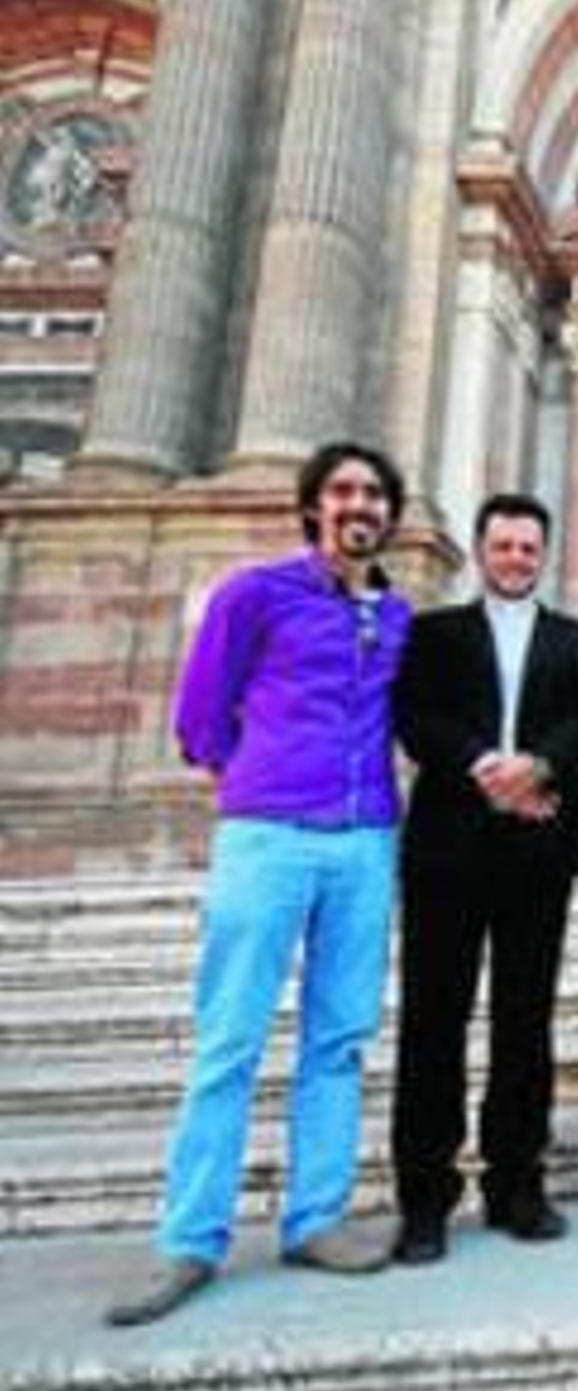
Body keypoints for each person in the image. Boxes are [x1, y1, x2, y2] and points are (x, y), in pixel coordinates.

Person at [106, 443, 410, 1327]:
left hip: (364, 838)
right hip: (269, 836)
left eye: (373, 494)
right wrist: (258, 782)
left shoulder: (394, 615)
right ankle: (190, 1239)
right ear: (313, 505)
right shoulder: (254, 594)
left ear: (388, 513)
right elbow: (200, 718)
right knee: (230, 1038)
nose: (359, 505)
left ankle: (316, 1216)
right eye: (343, 491)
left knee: (341, 1037)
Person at [390, 493, 578, 1263]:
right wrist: (484, 763)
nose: (516, 557)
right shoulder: (433, 633)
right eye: (504, 545)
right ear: (482, 551)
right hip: (448, 847)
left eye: (528, 547)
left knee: (525, 1020)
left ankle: (518, 1180)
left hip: (536, 847)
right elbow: (415, 717)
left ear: (543, 554)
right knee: (432, 1020)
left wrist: (541, 766)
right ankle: (425, 1196)